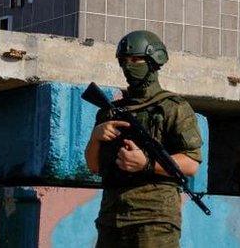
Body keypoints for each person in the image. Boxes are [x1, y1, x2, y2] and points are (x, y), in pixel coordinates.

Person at [85, 30, 203, 248]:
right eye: (124, 61)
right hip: (112, 218)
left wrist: (146, 163)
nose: (129, 66)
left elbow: (191, 163)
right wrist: (96, 138)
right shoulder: (110, 112)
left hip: (154, 219)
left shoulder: (173, 107)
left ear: (153, 61)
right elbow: (93, 166)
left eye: (136, 59)